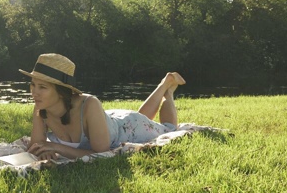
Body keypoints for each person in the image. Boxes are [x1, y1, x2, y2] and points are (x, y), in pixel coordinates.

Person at [20, 53, 186, 160]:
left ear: (62, 92)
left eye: (42, 87)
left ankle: (167, 89)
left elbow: (101, 153)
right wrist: (45, 152)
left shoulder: (89, 104)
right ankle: (163, 85)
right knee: (143, 116)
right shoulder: (41, 108)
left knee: (168, 129)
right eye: (33, 85)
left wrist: (55, 147)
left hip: (129, 128)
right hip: (111, 121)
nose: (34, 92)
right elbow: (37, 146)